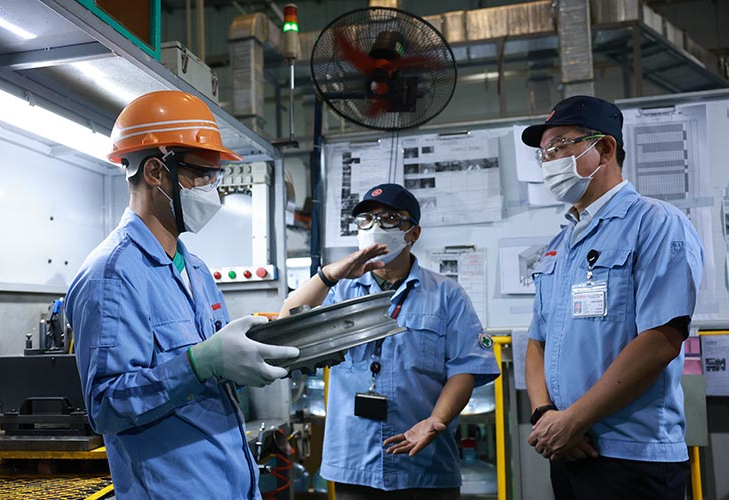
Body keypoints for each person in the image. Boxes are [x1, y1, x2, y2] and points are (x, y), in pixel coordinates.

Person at [65, 90, 299, 500]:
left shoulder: (195, 270)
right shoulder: (111, 275)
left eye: (216, 177)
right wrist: (199, 363)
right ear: (156, 172)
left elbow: (214, 375)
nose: (213, 191)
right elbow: (105, 406)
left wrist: (262, 356)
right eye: (202, 175)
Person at [521, 95, 704, 500]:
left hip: (633, 455)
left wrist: (574, 420)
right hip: (566, 448)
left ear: (604, 148)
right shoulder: (559, 245)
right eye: (543, 153)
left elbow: (661, 339)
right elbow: (537, 341)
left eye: (559, 146)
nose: (549, 161)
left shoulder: (656, 224)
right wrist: (545, 414)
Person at [281, 183, 500, 500]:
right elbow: (286, 324)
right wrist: (330, 274)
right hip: (354, 461)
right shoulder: (339, 291)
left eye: (390, 218)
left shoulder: (446, 295)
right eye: (367, 219)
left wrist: (435, 421)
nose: (375, 227)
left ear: (413, 233)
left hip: (424, 462)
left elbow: (465, 368)